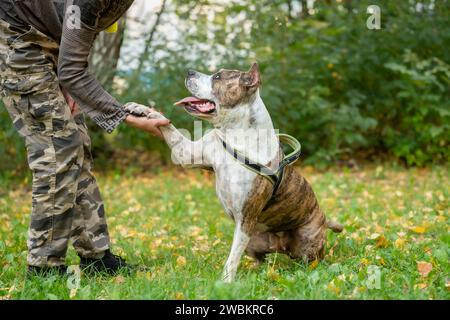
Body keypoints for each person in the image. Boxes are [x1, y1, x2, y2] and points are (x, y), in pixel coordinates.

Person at [0, 0, 169, 276]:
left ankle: (96, 258)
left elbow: (75, 41)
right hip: (17, 35)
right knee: (59, 148)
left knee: (77, 143)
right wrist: (125, 115)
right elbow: (73, 67)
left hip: (50, 39)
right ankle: (43, 267)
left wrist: (69, 77)